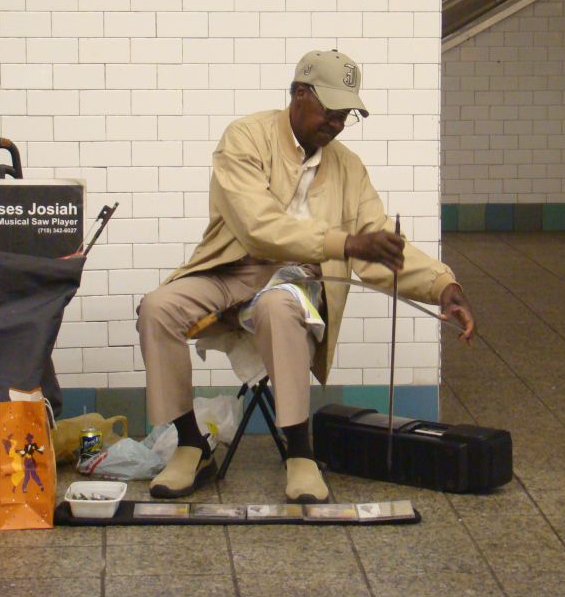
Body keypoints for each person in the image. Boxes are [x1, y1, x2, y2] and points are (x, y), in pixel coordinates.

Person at [136, 49, 477, 503]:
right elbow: (257, 226)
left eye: (346, 114)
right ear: (299, 94)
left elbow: (376, 244)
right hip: (233, 267)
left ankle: (300, 452)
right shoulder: (245, 137)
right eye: (330, 110)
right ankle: (191, 445)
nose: (337, 123)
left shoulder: (349, 167)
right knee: (157, 307)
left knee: (280, 304)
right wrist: (346, 242)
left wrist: (442, 286)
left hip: (299, 278)